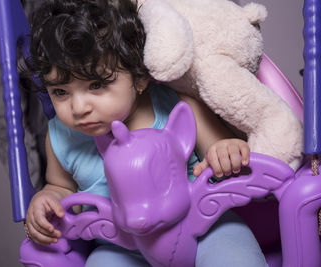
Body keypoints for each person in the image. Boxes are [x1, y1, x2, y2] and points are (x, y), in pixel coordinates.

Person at [22, 0, 268, 266]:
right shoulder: (61, 137)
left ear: (139, 76)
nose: (79, 107)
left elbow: (230, 155)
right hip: (121, 246)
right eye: (60, 92)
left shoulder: (180, 107)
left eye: (96, 84)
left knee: (234, 257)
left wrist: (226, 151)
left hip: (204, 229)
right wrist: (48, 199)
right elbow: (62, 188)